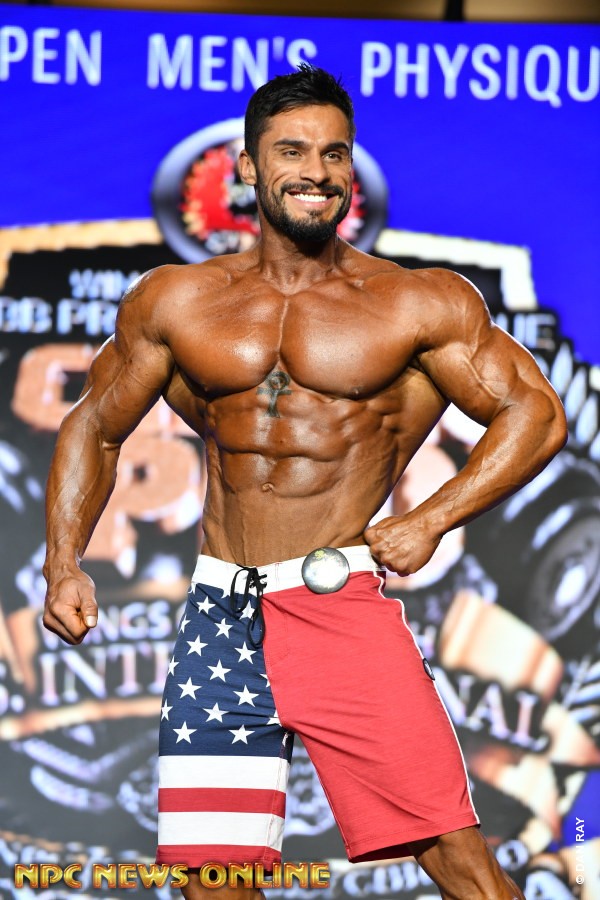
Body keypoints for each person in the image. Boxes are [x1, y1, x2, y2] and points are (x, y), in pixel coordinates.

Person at [43, 65, 567, 900]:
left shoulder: (414, 303)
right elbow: (94, 426)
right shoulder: (177, 301)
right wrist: (64, 562)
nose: (315, 172)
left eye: (334, 154)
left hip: (336, 602)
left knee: (458, 862)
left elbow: (534, 414)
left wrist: (432, 518)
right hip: (219, 617)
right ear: (248, 167)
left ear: (351, 169)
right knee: (212, 880)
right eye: (291, 151)